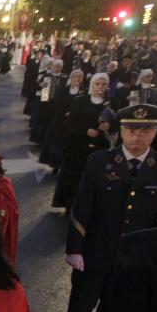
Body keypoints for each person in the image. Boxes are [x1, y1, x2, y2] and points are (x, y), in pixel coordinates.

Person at [54, 104, 157, 312]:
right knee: (80, 309)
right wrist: (75, 248)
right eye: (132, 129)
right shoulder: (99, 161)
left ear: (156, 132)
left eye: (146, 130)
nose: (138, 135)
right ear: (121, 130)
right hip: (94, 254)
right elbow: (82, 205)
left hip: (133, 262)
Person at [52, 73, 115, 211]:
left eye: (104, 84)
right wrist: (85, 131)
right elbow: (70, 123)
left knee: (94, 176)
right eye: (97, 83)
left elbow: (117, 122)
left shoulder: (111, 103)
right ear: (92, 84)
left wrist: (109, 127)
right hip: (77, 146)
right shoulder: (80, 100)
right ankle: (70, 204)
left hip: (99, 146)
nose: (100, 87)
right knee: (75, 176)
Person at [40, 69, 84, 171]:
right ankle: (55, 165)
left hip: (75, 123)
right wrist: (64, 112)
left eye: (79, 77)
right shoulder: (63, 89)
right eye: (75, 76)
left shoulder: (84, 92)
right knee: (58, 144)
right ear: (71, 78)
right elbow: (54, 102)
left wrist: (74, 114)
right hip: (60, 121)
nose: (77, 79)